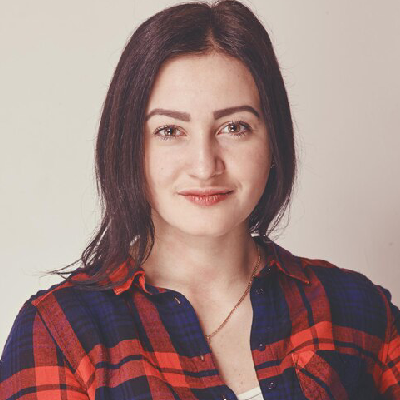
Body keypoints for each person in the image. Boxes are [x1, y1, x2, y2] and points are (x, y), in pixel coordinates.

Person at [1, 1, 399, 399]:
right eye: (170, 131)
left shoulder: (357, 310)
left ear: (273, 141)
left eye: (234, 127)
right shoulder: (60, 333)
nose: (205, 166)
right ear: (127, 147)